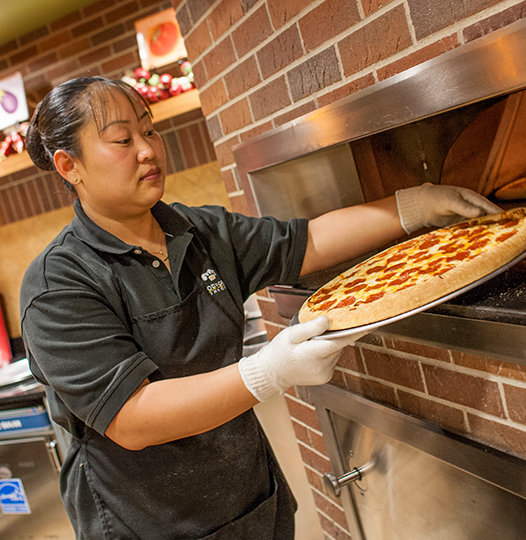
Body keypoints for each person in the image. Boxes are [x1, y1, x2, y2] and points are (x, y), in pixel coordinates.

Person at [19, 76, 500, 540]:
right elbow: (132, 418)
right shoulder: (58, 283)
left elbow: (307, 242)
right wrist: (272, 369)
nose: (148, 150)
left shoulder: (198, 231)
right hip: (147, 521)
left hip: (249, 501)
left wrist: (414, 206)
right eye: (122, 140)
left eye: (149, 129)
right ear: (69, 166)